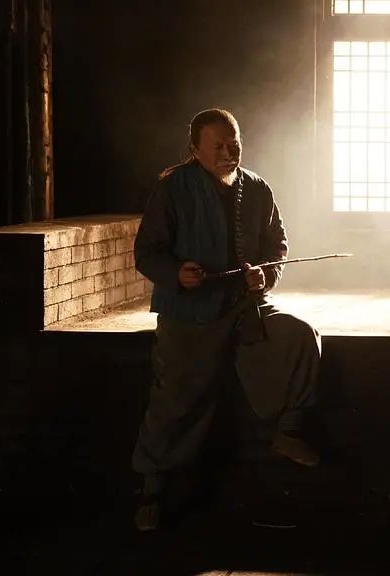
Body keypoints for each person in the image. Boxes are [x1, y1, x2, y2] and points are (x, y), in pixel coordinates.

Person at [131, 109, 321, 532]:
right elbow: (147, 253)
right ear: (195, 149)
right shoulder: (173, 188)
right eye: (216, 145)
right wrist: (177, 274)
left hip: (244, 307)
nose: (227, 152)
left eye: (233, 143)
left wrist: (265, 275)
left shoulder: (257, 188)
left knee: (298, 337)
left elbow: (277, 244)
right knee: (175, 399)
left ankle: (289, 430)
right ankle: (152, 489)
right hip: (189, 312)